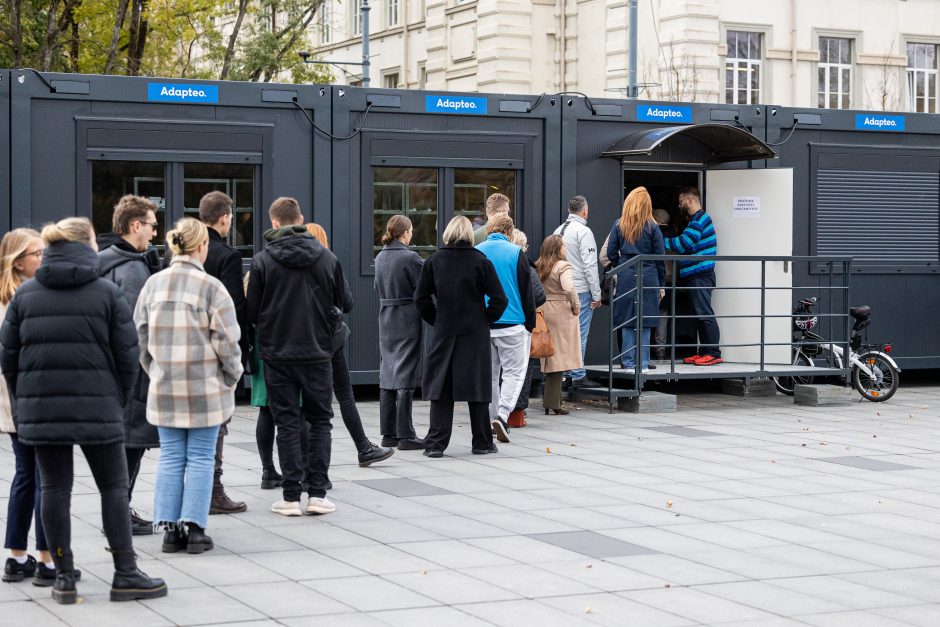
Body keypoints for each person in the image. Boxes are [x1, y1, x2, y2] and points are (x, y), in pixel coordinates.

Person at [0, 217, 166, 605]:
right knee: (112, 488)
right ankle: (125, 572)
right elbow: (130, 355)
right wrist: (118, 398)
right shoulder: (106, 293)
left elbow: (8, 358)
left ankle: (62, 577)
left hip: (42, 407)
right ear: (86, 245)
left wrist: (26, 401)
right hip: (100, 405)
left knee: (55, 488)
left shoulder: (25, 297)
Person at [134, 218, 243, 555]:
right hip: (205, 389)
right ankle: (195, 529)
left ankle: (169, 531)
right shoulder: (212, 288)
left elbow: (140, 337)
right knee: (200, 457)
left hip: (166, 387)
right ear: (201, 247)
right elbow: (228, 342)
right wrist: (231, 376)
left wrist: (156, 370)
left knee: (170, 457)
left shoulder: (152, 285)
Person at [246, 197, 349, 517]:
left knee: (287, 422)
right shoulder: (326, 257)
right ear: (300, 219)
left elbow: (251, 311)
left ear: (274, 222)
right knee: (320, 421)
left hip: (277, 354)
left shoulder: (262, 261)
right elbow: (345, 302)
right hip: (318, 352)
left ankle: (290, 497)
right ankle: (317, 493)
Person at [97, 194, 163, 536]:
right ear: (135, 226)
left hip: (103, 372)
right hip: (131, 375)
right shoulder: (135, 269)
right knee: (132, 445)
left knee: (120, 445)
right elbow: (139, 331)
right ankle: (119, 514)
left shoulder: (101, 260)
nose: (155, 233)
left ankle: (118, 509)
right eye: (152, 226)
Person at [415, 216, 508, 457]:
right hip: (474, 333)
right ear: (470, 234)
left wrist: (436, 319)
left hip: (445, 330)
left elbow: (421, 299)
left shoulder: (434, 261)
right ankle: (482, 442)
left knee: (441, 388)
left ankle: (436, 444)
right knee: (477, 389)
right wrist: (484, 319)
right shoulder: (480, 262)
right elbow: (500, 299)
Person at [305, 222, 393, 466]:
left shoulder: (293, 266)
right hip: (331, 339)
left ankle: (294, 463)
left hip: (303, 341)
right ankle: (363, 448)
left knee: (307, 398)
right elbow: (347, 302)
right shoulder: (329, 261)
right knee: (345, 394)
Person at [0, 229, 56, 586]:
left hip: (12, 402)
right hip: (27, 400)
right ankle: (46, 560)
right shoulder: (24, 300)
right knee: (42, 478)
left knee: (25, 475)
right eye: (37, 253)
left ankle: (16, 556)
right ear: (17, 261)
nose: (43, 258)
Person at [197, 191, 249, 515]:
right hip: (215, 351)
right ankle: (214, 491)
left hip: (182, 351)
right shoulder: (227, 256)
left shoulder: (180, 252)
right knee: (218, 424)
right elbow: (233, 308)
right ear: (225, 217)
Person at [476, 214, 536, 443]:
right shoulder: (516, 253)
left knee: (490, 375)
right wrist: (530, 323)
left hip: (485, 323)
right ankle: (502, 415)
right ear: (510, 232)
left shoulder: (478, 250)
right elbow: (526, 291)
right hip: (513, 322)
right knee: (514, 372)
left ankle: (491, 417)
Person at [374, 215, 425, 449]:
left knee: (387, 371)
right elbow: (424, 285)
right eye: (411, 230)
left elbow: (377, 287)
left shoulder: (381, 256)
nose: (411, 234)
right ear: (404, 233)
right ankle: (406, 434)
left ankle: (389, 433)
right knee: (405, 373)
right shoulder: (410, 257)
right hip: (406, 315)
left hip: (386, 316)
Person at [607, 187, 665, 372]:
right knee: (645, 319)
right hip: (648, 275)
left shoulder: (619, 224)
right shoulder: (652, 226)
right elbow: (660, 259)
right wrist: (662, 284)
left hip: (626, 275)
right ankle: (643, 363)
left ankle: (628, 363)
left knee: (626, 318)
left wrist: (622, 265)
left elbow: (610, 253)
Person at [664, 186, 722, 366]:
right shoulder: (696, 220)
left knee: (704, 314)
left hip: (700, 275)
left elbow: (684, 244)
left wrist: (660, 241)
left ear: (690, 200)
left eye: (681, 202)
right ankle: (703, 351)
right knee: (699, 315)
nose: (679, 205)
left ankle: (713, 352)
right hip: (696, 275)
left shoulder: (699, 219)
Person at [554, 195, 602, 388]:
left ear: (569, 210)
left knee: (565, 334)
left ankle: (565, 374)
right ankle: (578, 374)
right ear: (585, 211)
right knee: (580, 334)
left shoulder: (558, 231)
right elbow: (590, 265)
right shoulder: (584, 231)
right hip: (580, 289)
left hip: (560, 290)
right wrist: (597, 294)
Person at [535, 235, 581, 415]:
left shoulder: (539, 265)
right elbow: (569, 288)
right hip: (561, 311)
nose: (565, 249)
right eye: (563, 246)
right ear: (557, 248)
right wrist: (576, 306)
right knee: (559, 357)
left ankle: (552, 401)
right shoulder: (563, 266)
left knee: (548, 355)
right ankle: (553, 403)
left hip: (544, 310)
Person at [507, 229, 545, 428]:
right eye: (526, 244)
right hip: (521, 325)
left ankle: (499, 412)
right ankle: (516, 414)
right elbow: (540, 295)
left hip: (498, 324)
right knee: (521, 369)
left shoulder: (498, 263)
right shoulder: (525, 267)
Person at [652, 209, 677, 360]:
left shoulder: (651, 232)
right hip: (669, 280)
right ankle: (660, 351)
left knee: (645, 314)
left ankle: (643, 352)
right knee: (663, 316)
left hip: (651, 277)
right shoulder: (674, 236)